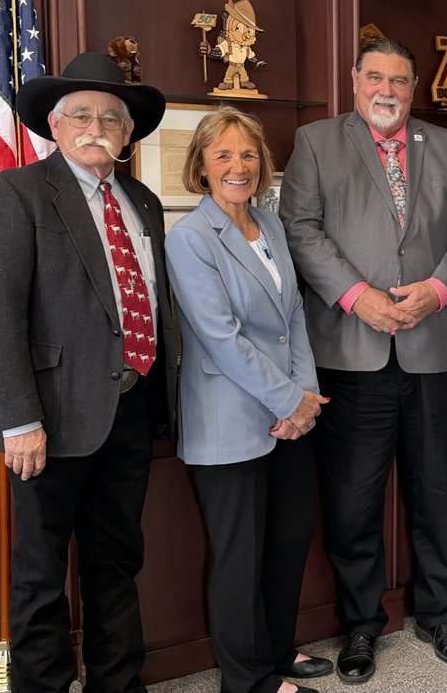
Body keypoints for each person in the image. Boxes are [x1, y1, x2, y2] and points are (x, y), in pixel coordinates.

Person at [279, 37, 447, 684]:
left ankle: (438, 615)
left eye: (399, 80)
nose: (387, 91)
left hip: (431, 350)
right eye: (376, 77)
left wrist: (438, 290)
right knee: (353, 502)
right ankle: (361, 625)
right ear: (354, 80)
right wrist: (356, 296)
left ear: (414, 86)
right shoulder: (316, 142)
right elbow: (300, 229)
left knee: (436, 494)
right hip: (351, 352)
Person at [0, 52, 178, 693]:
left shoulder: (143, 201)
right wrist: (19, 420)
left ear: (128, 133)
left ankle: (118, 683)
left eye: (111, 118)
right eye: (81, 115)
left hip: (130, 411)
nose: (96, 127)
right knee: (40, 573)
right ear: (55, 126)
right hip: (48, 419)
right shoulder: (18, 193)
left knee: (116, 562)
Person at [164, 108, 331, 693]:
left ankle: (276, 652)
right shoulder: (189, 238)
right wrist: (290, 401)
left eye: (249, 154)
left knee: (288, 538)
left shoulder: (270, 224)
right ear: (201, 167)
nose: (239, 166)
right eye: (224, 155)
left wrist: (303, 398)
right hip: (229, 417)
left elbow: (294, 317)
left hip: (289, 414)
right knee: (239, 554)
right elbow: (221, 338)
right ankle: (248, 681)